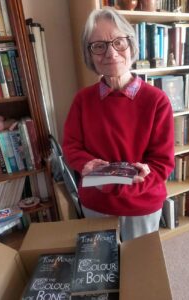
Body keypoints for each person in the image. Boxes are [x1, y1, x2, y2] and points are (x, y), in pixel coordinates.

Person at [62, 6, 175, 241]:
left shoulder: (157, 100)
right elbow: (72, 147)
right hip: (96, 202)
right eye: (99, 46)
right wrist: (87, 165)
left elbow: (162, 162)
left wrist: (138, 178)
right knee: (101, 267)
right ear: (89, 54)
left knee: (139, 268)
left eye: (119, 42)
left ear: (131, 45)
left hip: (141, 203)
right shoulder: (82, 100)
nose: (111, 53)